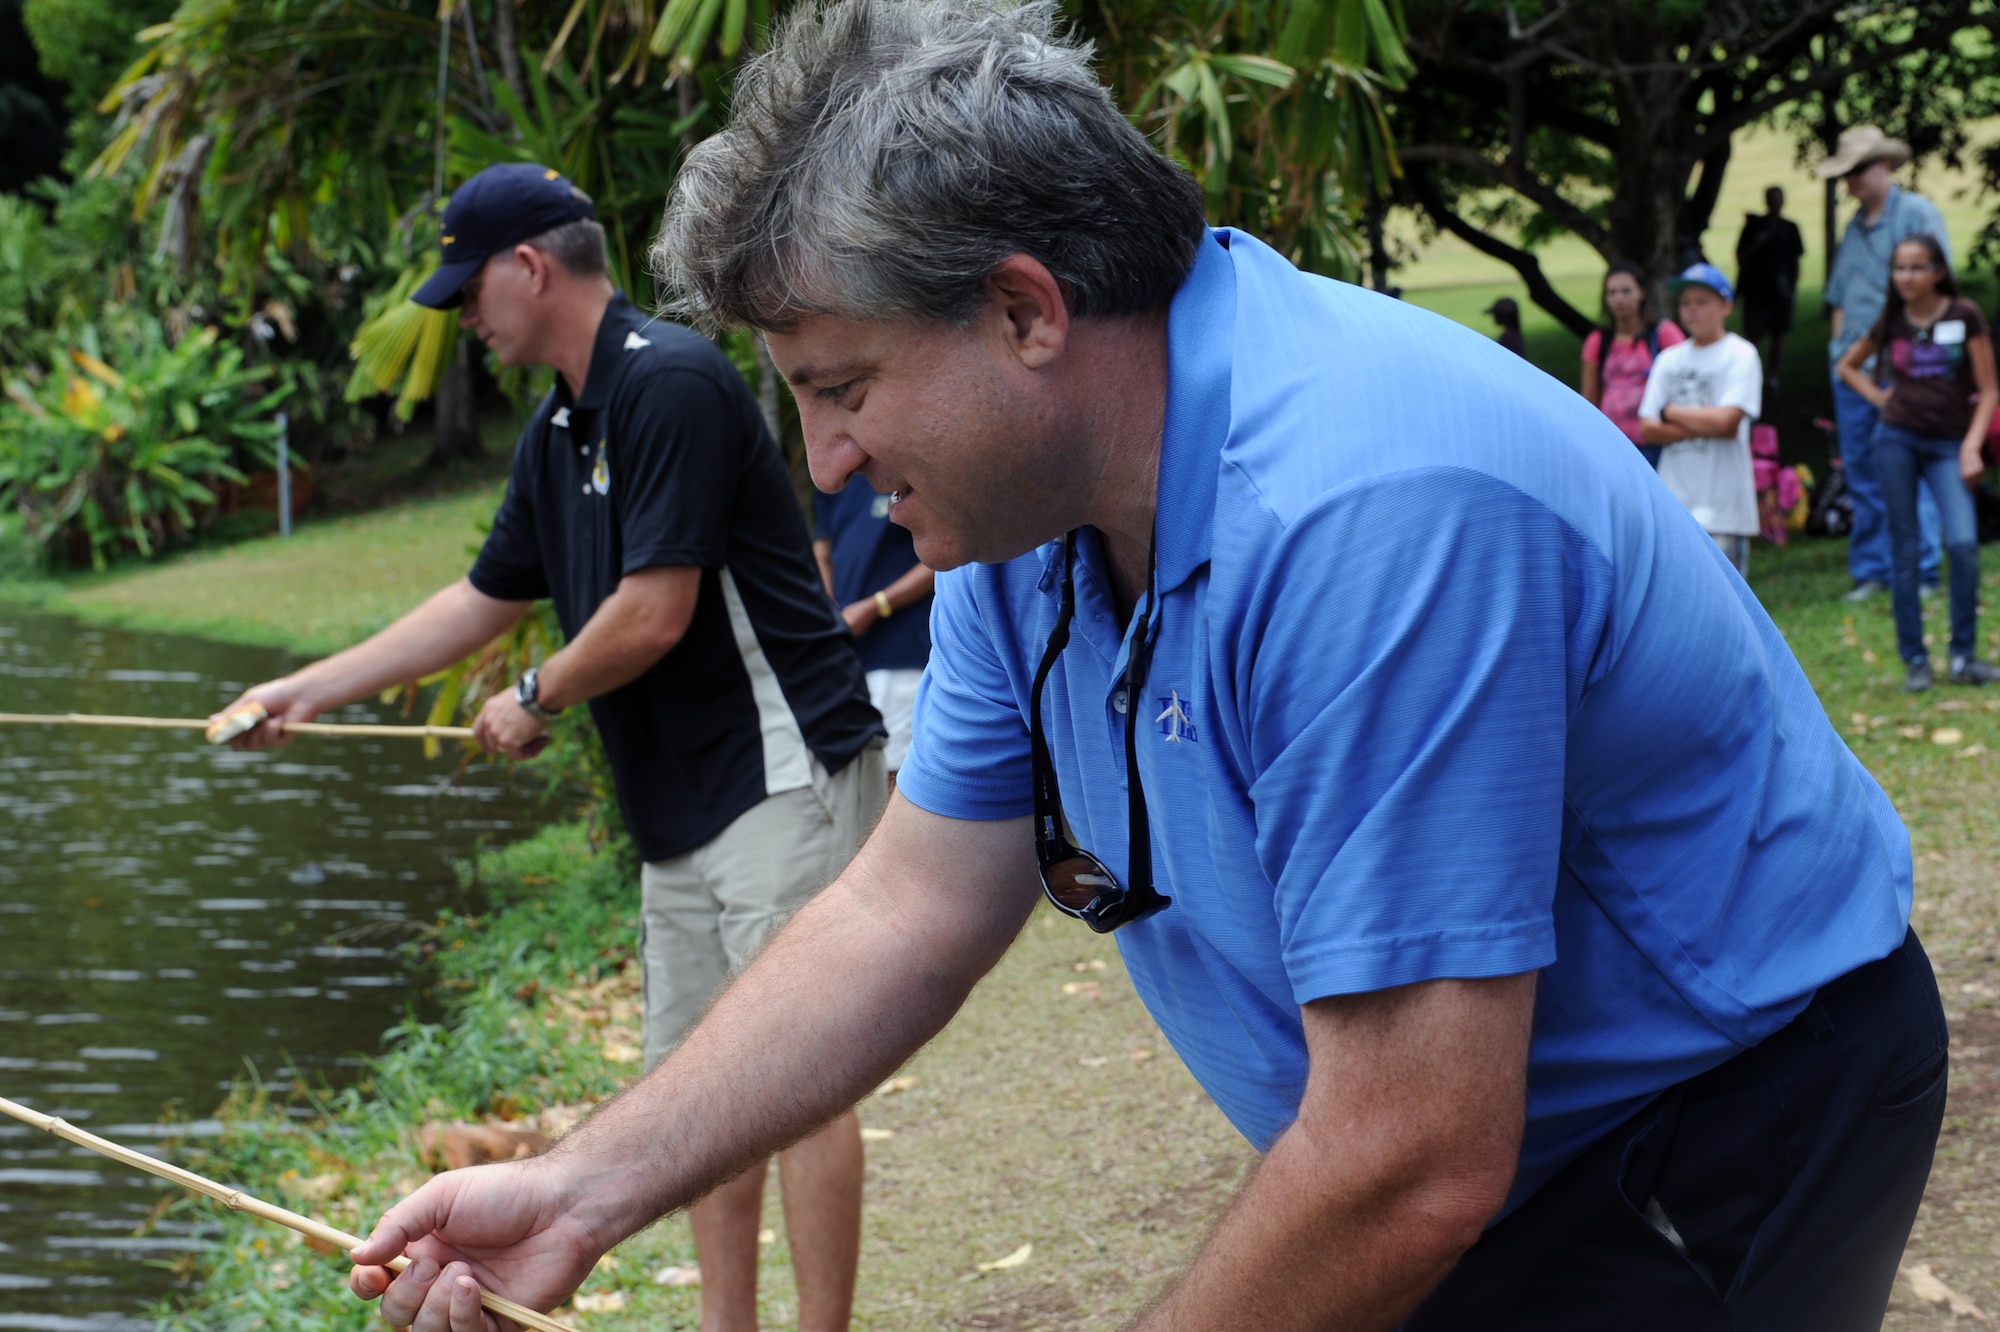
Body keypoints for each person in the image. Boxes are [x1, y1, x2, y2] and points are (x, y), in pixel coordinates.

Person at [344, 6, 1941, 1329]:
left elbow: (1411, 1158)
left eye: (842, 389)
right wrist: (581, 1185)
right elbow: (909, 906)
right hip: (1459, 1140)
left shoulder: (1371, 513)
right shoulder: (1020, 512)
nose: (827, 462)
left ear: (1026, 312)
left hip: (1711, 1122)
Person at [217, 162, 887, 1332]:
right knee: (699, 1104)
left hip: (781, 768)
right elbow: (477, 601)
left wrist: (536, 691)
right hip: (680, 808)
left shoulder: (666, 381)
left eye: (467, 290)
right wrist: (306, 691)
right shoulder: (557, 429)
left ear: (529, 266)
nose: (461, 319)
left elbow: (654, 607)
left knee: (796, 1087)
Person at [1836, 234, 2000, 692]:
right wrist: (1879, 398)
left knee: (1964, 545)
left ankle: (1964, 655)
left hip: (1949, 445)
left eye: (1916, 267)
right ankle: (1916, 660)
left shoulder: (1964, 315)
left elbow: (1988, 391)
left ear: (1938, 271)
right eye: (1899, 268)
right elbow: (1849, 365)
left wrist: (1971, 446)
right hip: (1897, 441)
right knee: (1905, 550)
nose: (1906, 277)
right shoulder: (1892, 318)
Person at [1820, 124, 1951, 603]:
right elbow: (1838, 297)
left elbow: (1938, 292)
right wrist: (1839, 352)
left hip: (1900, 366)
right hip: (1852, 370)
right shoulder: (1853, 227)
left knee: (1909, 462)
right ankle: (1875, 569)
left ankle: (1924, 569)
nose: (1852, 181)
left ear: (1884, 166)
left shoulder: (1917, 215)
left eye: (1858, 170)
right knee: (1862, 466)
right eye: (1846, 173)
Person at [1639, 263, 1764, 578]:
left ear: (1726, 306)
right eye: (1685, 303)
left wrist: (1673, 412)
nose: (1692, 310)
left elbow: (1727, 422)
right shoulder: (1669, 359)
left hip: (1724, 506)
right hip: (1675, 502)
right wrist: (1704, 420)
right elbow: (1648, 428)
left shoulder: (1740, 354)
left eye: (1701, 301)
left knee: (1728, 603)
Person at [814, 482, 935, 776]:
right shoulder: (834, 476)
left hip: (902, 654)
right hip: (847, 656)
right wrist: (832, 616)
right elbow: (822, 550)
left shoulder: (909, 463)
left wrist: (876, 605)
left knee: (901, 776)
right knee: (859, 776)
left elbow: (942, 556)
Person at [1580, 261, 1686, 468]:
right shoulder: (1598, 340)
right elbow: (1589, 400)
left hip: (1657, 444)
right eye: (1612, 293)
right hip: (1613, 445)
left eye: (1626, 291)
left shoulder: (1663, 334)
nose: (1619, 299)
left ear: (1642, 293)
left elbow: (1686, 383)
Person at [1735, 186, 1804, 388]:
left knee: (1779, 335)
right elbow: (1741, 255)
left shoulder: (1790, 228)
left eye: (1778, 199)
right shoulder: (1754, 226)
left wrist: (1791, 287)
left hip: (1781, 292)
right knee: (1753, 336)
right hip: (1756, 290)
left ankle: (1773, 378)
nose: (1775, 203)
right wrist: (1759, 242)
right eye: (1771, 199)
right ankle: (1752, 377)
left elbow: (1796, 260)